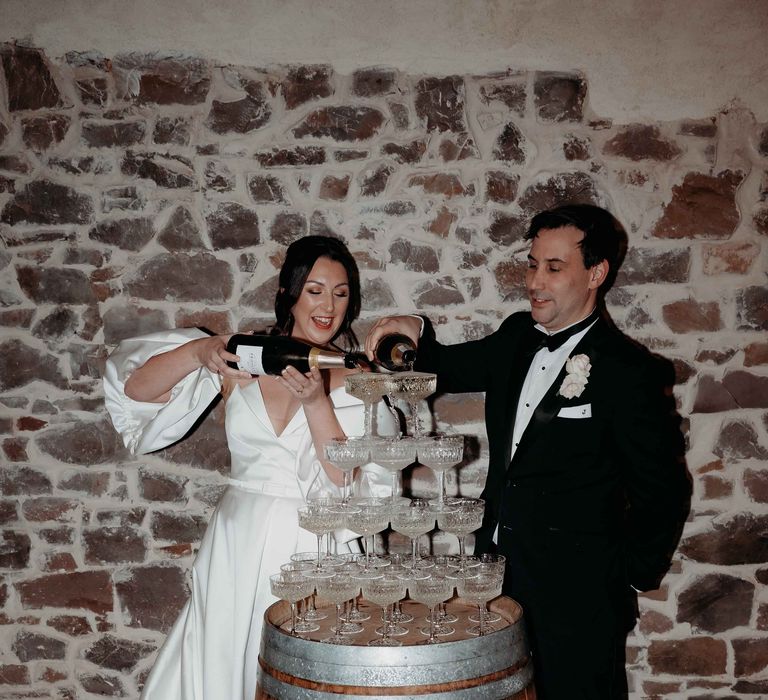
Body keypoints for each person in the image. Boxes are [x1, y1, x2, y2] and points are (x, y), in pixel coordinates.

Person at [365, 204, 690, 700]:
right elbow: (437, 367)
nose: (536, 280)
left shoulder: (630, 373)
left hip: (580, 597)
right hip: (496, 578)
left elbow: (662, 491)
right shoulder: (518, 337)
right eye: (532, 263)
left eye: (554, 268)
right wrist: (410, 323)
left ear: (596, 274)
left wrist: (623, 576)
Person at [104, 235, 392, 700]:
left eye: (341, 293)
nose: (329, 306)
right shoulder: (244, 356)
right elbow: (135, 389)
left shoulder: (360, 379)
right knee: (220, 661)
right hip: (237, 539)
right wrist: (202, 353)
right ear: (287, 293)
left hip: (316, 545)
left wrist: (317, 402)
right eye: (315, 290)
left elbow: (346, 482)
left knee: (304, 673)